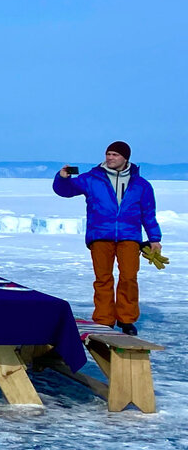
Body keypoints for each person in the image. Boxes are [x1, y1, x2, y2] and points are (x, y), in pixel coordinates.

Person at [54, 141, 162, 335]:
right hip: (100, 235)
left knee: (129, 277)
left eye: (115, 155)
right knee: (103, 278)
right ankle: (104, 319)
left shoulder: (141, 185)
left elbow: (148, 213)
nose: (110, 158)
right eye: (108, 154)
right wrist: (62, 178)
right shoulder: (92, 179)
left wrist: (154, 238)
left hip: (129, 236)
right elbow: (65, 191)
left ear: (125, 158)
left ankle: (126, 319)